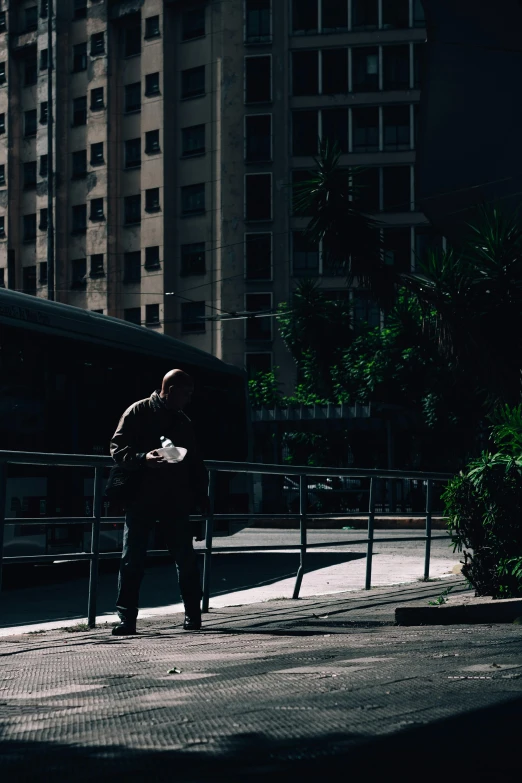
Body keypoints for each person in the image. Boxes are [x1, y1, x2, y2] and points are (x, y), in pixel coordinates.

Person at [110, 369, 209, 636]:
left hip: (171, 497)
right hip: (144, 496)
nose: (188, 399)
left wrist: (201, 494)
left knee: (181, 558)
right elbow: (118, 449)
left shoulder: (180, 419)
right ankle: (128, 619)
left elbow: (194, 462)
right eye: (186, 393)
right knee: (133, 559)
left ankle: (191, 615)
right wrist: (144, 459)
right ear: (172, 390)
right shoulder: (138, 412)